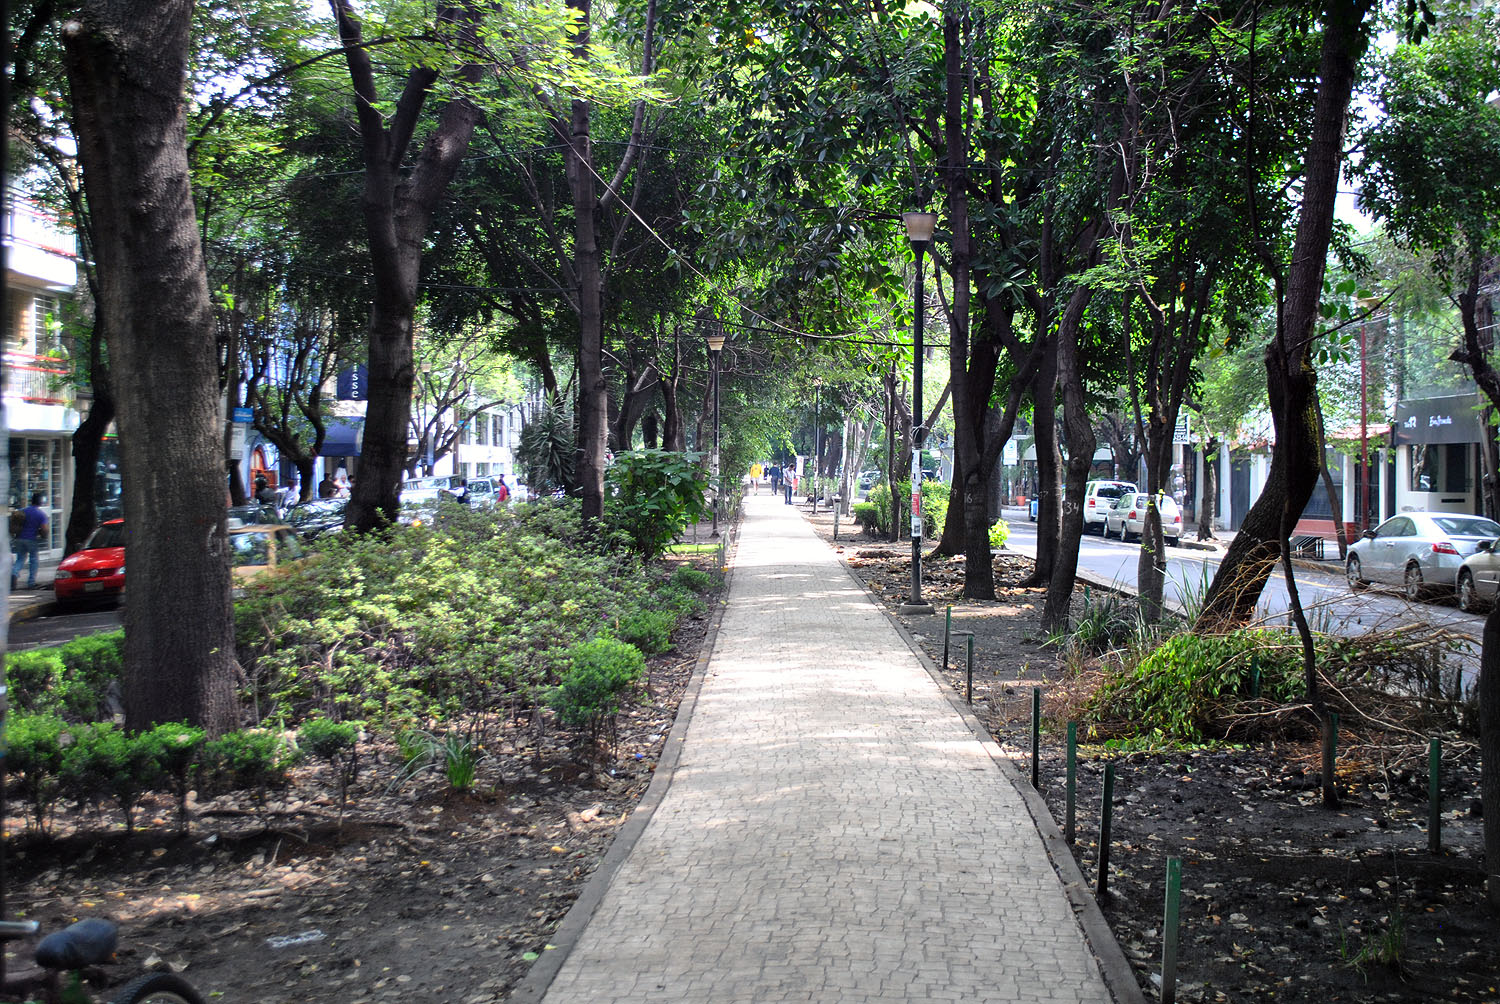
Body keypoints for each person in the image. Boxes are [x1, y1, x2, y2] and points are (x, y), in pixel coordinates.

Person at [11, 493, 49, 590]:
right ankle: (31, 582)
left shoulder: (22, 511)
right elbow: (44, 529)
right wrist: (44, 535)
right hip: (31, 539)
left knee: (20, 558)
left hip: (19, 539)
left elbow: (15, 520)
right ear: (40, 502)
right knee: (34, 560)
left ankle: (14, 573)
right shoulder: (41, 514)